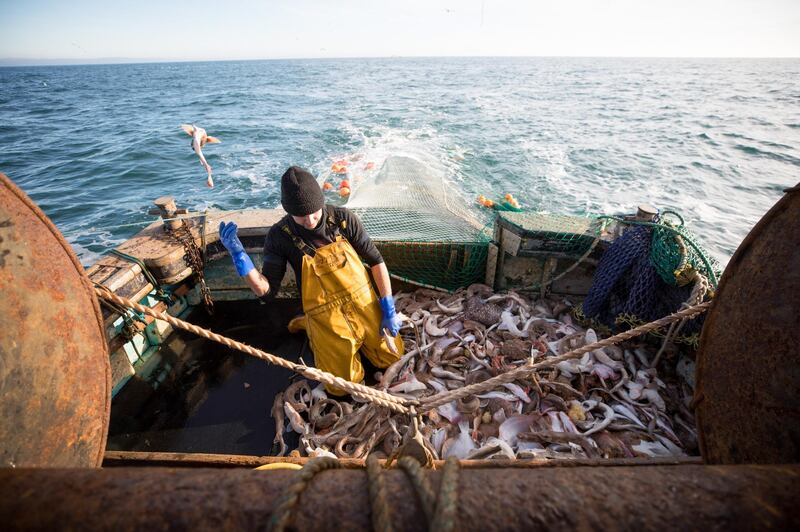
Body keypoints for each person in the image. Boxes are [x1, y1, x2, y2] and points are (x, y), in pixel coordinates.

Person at [218, 166, 404, 394]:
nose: (309, 220)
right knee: (340, 387)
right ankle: (311, 327)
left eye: (314, 212)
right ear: (288, 211)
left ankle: (307, 324)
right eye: (300, 215)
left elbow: (376, 261)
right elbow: (266, 291)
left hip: (365, 304)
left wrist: (387, 306)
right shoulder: (279, 236)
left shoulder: (343, 220)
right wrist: (241, 260)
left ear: (322, 202)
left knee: (393, 357)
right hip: (327, 317)